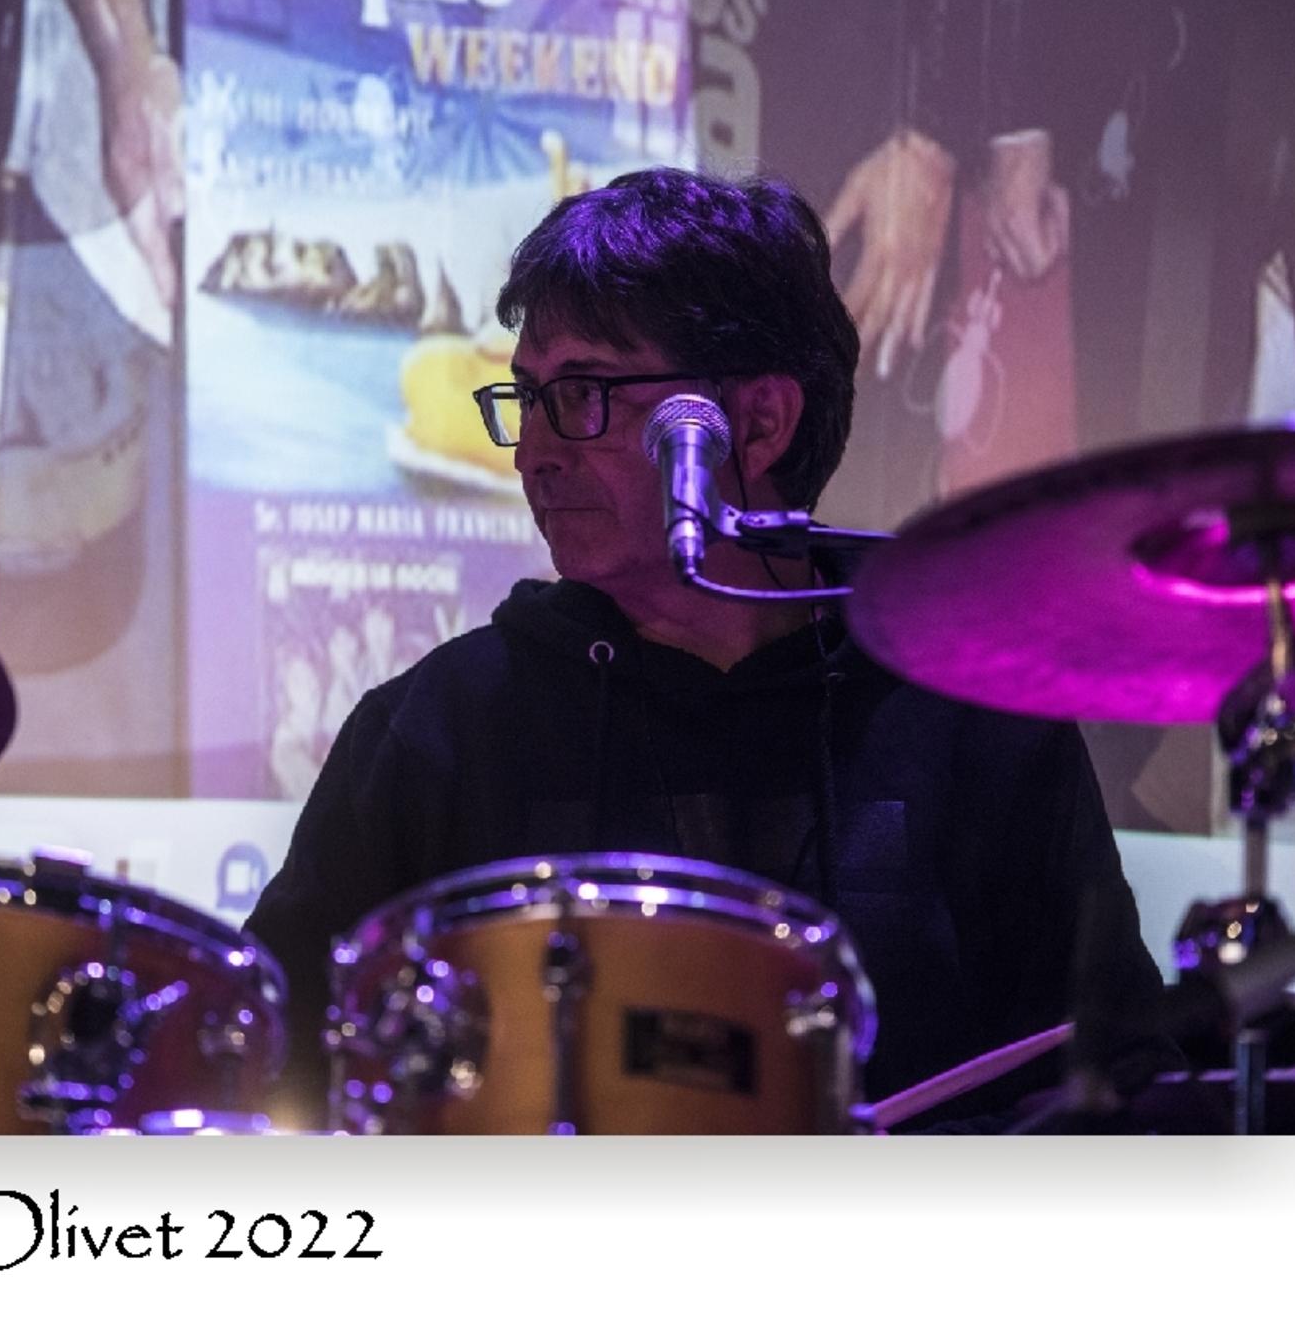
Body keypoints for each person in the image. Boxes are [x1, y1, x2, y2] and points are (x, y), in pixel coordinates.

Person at [244, 165, 1181, 1132]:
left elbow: (1114, 1093)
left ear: (759, 423)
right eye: (527, 396)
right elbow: (264, 1066)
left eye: (584, 394)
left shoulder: (972, 717)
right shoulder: (437, 729)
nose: (532, 452)